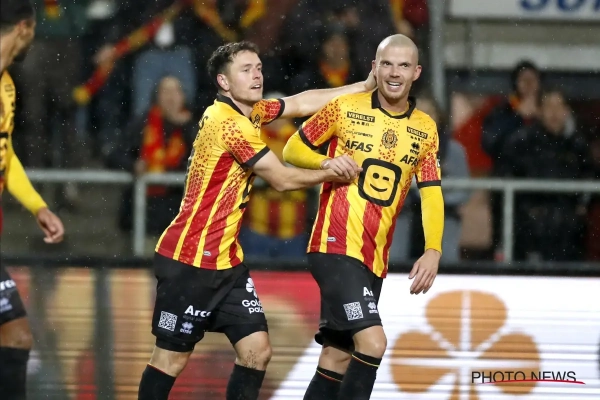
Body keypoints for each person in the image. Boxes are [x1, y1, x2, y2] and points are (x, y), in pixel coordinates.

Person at [137, 40, 376, 400]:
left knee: (256, 351)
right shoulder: (230, 124)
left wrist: (363, 86)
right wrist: (331, 170)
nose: (257, 75)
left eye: (259, 68)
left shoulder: (251, 112)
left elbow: (300, 102)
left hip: (226, 260)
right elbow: (281, 179)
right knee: (171, 358)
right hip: (190, 259)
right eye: (246, 70)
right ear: (223, 82)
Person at [282, 34, 444, 400]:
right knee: (373, 342)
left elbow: (432, 193)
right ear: (374, 67)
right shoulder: (344, 107)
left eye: (403, 65)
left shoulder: (426, 129)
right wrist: (326, 162)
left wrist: (433, 249)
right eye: (386, 64)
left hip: (374, 258)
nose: (394, 73)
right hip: (334, 246)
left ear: (416, 72)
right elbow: (292, 149)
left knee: (337, 357)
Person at [0, 1, 65, 398]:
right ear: (25, 27)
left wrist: (37, 204)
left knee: (17, 338)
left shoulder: (7, 86)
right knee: (17, 336)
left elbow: (4, 152)